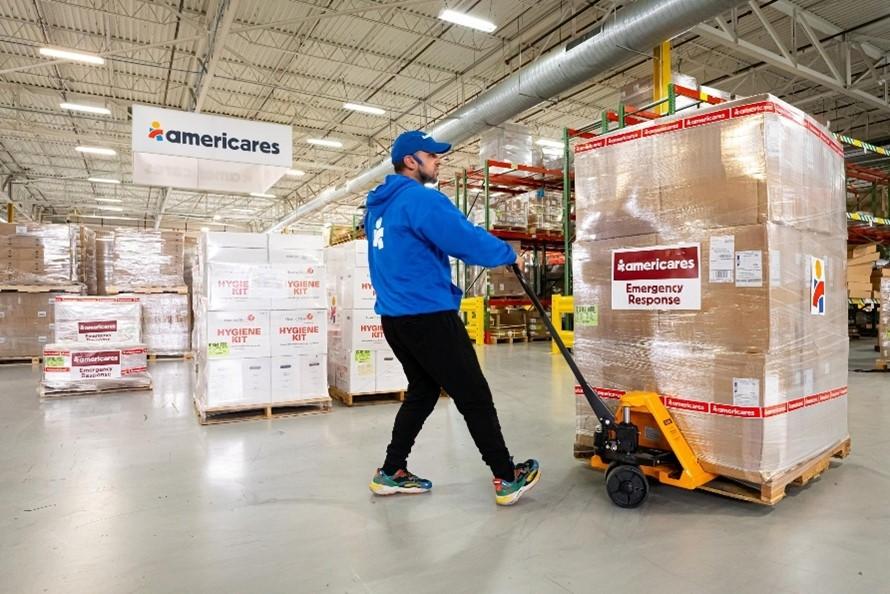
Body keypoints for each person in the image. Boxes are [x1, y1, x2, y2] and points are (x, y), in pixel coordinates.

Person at [364, 130, 540, 506]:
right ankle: (506, 477)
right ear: (411, 161)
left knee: (423, 391)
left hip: (395, 318)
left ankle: (391, 471)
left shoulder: (378, 208)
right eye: (432, 155)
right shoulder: (420, 200)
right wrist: (507, 254)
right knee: (473, 395)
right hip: (428, 315)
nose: (439, 160)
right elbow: (463, 238)